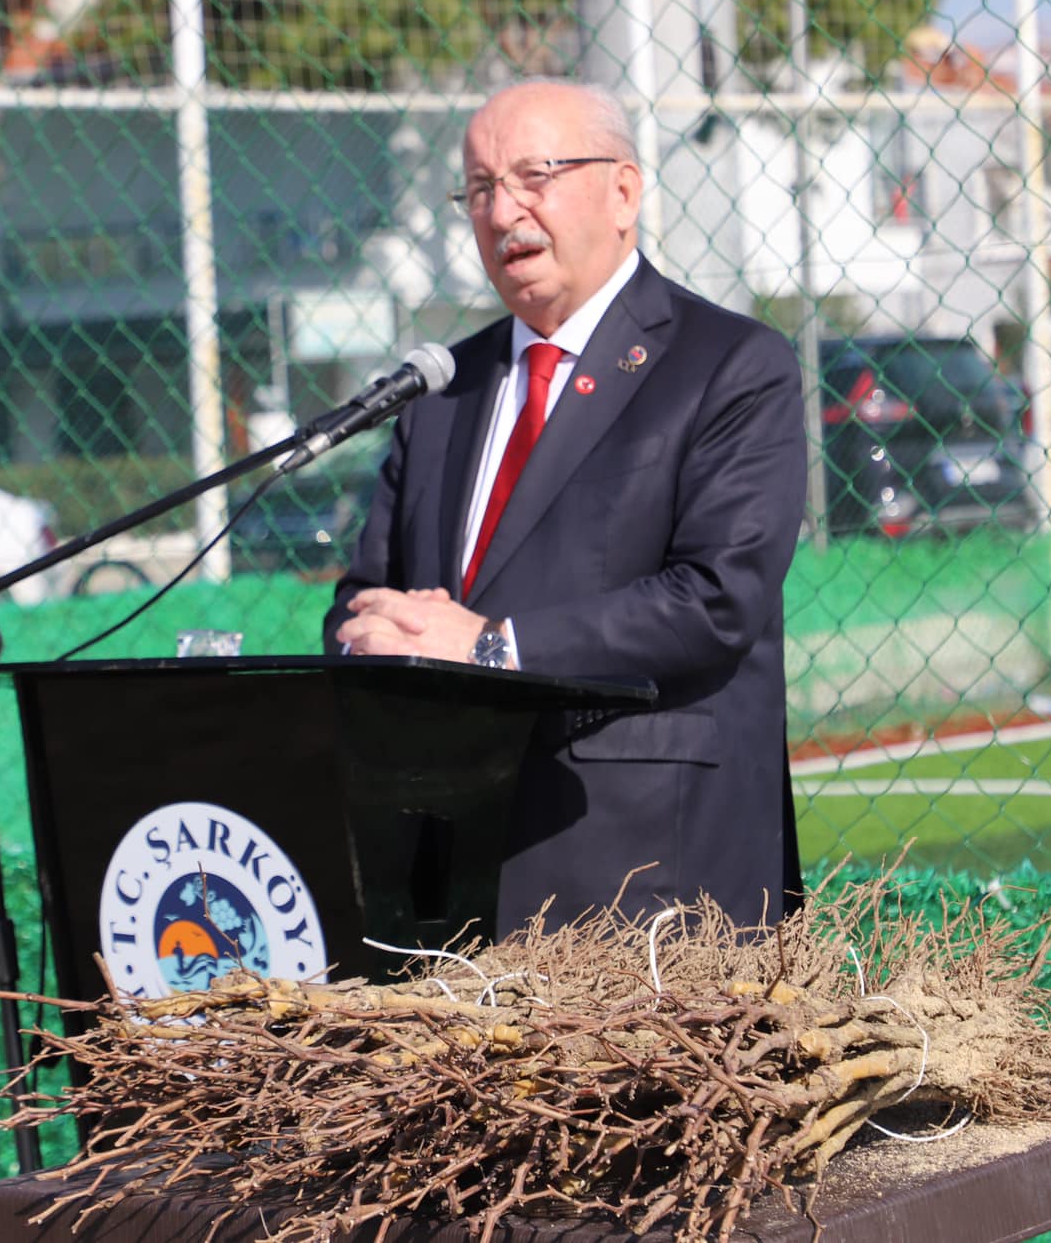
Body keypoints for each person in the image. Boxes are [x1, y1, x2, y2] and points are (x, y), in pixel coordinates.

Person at [326, 78, 806, 935]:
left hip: (647, 880)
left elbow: (717, 597)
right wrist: (372, 634)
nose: (501, 209)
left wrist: (492, 647)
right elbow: (364, 594)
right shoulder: (440, 389)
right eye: (478, 188)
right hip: (451, 877)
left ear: (624, 192)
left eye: (533, 175)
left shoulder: (731, 366)